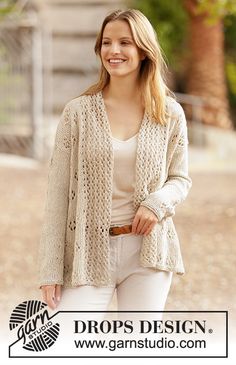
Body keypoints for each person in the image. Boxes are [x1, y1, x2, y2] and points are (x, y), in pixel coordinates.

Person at [38, 9, 192, 319]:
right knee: (69, 344)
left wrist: (157, 203)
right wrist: (49, 270)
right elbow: (57, 195)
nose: (114, 51)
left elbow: (180, 178)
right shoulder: (77, 113)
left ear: (143, 51)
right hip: (88, 252)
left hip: (147, 252)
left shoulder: (170, 113)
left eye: (125, 42)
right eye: (106, 42)